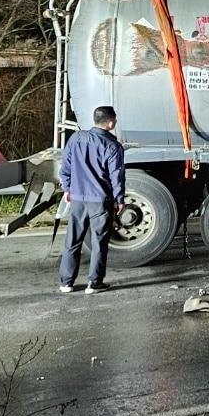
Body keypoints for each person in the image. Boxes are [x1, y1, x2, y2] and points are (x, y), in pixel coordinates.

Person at [58, 105, 125, 294]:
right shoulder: (112, 146)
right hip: (100, 200)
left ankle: (66, 282)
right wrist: (120, 199)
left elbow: (66, 165)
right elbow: (116, 176)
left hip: (78, 197)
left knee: (73, 240)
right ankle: (94, 283)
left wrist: (67, 188)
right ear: (110, 122)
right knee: (99, 241)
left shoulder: (77, 138)